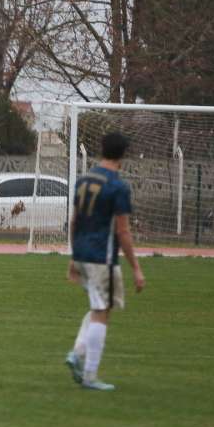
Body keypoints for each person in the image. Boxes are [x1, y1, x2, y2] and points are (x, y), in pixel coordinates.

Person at [64, 132, 145, 391]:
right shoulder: (117, 186)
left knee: (100, 307)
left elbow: (75, 221)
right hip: (102, 257)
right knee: (102, 311)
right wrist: (136, 268)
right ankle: (88, 373)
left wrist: (73, 256)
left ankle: (77, 352)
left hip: (83, 253)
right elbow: (123, 231)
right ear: (124, 154)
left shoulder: (84, 179)